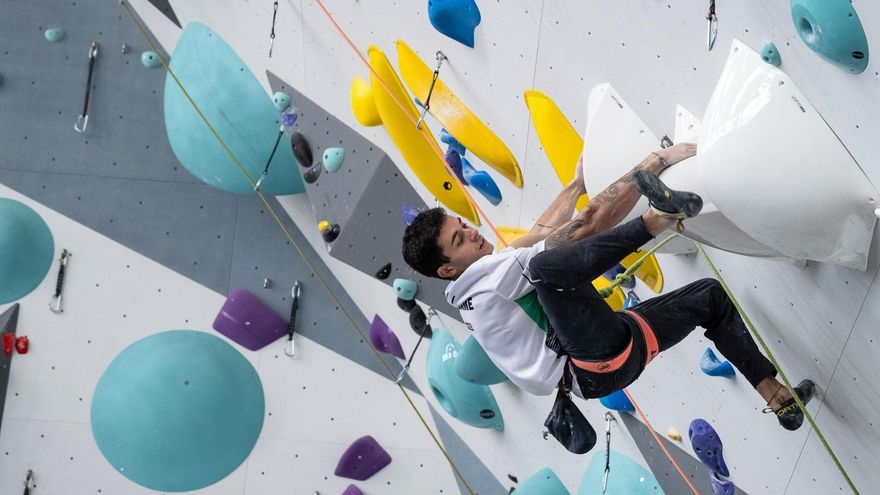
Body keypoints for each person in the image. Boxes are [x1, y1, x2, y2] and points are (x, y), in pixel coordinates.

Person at [401, 143, 814, 433]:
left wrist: (575, 184)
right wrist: (654, 162)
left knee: (709, 297)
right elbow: (588, 226)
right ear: (446, 270)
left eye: (464, 226)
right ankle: (659, 219)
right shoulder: (489, 284)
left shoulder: (476, 288)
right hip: (593, 360)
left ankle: (779, 400)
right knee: (547, 268)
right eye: (459, 240)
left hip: (608, 359)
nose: (471, 235)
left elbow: (534, 236)